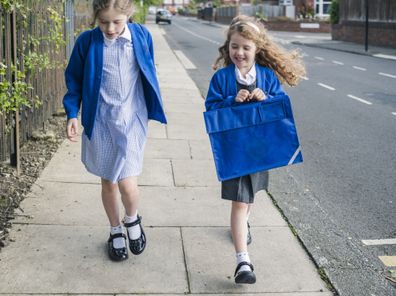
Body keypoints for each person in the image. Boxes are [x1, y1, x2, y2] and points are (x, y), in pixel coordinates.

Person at [63, 0, 166, 262]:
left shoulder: (140, 36)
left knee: (127, 183)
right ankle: (115, 229)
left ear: (129, 15)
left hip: (132, 121)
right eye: (103, 22)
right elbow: (74, 79)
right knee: (108, 180)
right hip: (100, 122)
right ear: (96, 18)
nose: (110, 28)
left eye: (117, 22)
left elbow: (148, 69)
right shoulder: (87, 42)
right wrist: (72, 114)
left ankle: (131, 219)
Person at [205, 15, 305, 284]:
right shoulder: (222, 79)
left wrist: (267, 98)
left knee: (248, 200)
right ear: (228, 47)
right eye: (234, 46)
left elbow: (282, 106)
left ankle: (243, 228)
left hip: (259, 150)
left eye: (245, 48)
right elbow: (211, 111)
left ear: (256, 49)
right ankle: (243, 261)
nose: (239, 53)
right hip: (234, 151)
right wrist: (230, 100)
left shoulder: (268, 78)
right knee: (240, 203)